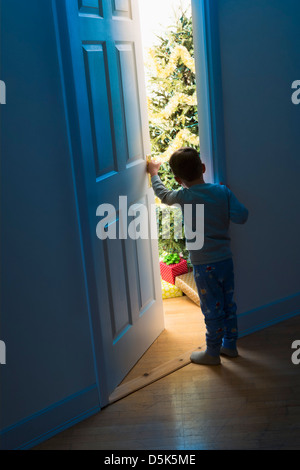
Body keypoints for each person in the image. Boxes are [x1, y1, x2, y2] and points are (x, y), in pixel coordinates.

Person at [147, 147, 248, 365]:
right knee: (228, 304)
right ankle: (230, 346)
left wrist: (154, 173)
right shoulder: (222, 192)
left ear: (177, 178)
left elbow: (163, 195)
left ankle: (212, 353)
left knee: (212, 309)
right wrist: (227, 199)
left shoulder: (185, 195)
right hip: (225, 261)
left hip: (204, 265)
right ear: (202, 168)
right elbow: (242, 217)